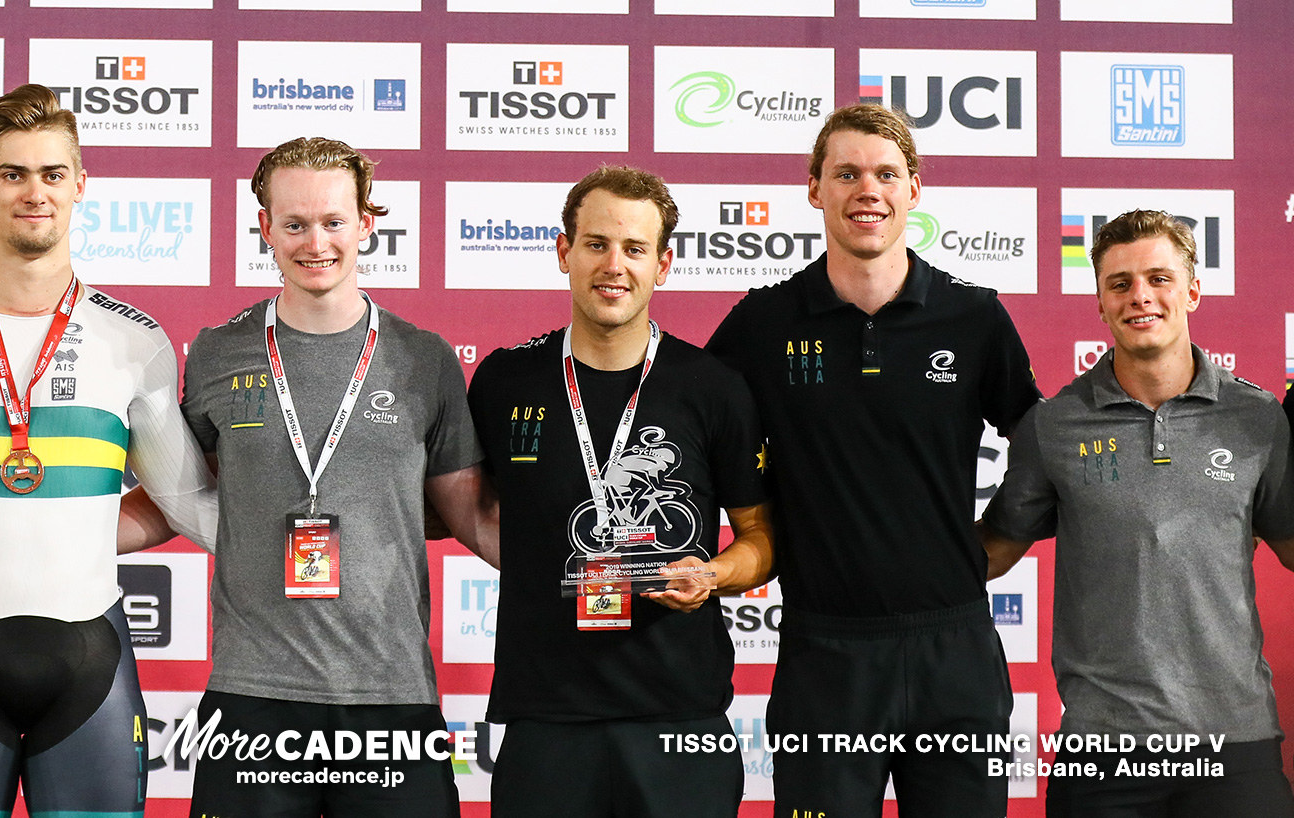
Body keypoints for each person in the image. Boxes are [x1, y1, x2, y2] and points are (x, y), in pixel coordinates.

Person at [0, 84, 217, 818]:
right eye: (14, 173)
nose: (35, 193)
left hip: (91, 658)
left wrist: (300, 555)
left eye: (53, 174)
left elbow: (185, 501)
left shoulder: (137, 341)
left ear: (80, 185)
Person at [706, 104, 1040, 817]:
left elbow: (1042, 443)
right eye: (847, 173)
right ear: (814, 189)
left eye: (887, 174)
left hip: (955, 650)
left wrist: (1001, 538)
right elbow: (695, 438)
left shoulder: (975, 317)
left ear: (913, 190)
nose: (869, 189)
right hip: (824, 651)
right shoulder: (762, 323)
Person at [181, 136, 486, 818]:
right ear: (264, 228)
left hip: (391, 698)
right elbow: (181, 493)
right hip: (252, 693)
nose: (314, 242)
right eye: (294, 224)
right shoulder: (214, 353)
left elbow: (472, 516)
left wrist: (598, 566)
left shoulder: (426, 360)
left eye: (333, 222)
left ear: (367, 224)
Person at [466, 166, 772, 816]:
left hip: (679, 721)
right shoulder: (505, 380)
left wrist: (712, 575)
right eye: (597, 243)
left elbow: (761, 539)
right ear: (563, 251)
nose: (614, 265)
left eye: (634, 249)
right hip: (545, 721)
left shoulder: (713, 386)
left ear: (662, 264)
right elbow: (466, 508)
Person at [981, 209, 1294, 815]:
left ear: (1193, 291)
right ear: (1100, 302)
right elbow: (991, 549)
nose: (1140, 297)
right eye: (1120, 284)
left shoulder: (1258, 419)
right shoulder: (1054, 425)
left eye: (1159, 279)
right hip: (1103, 756)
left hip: (1236, 744)